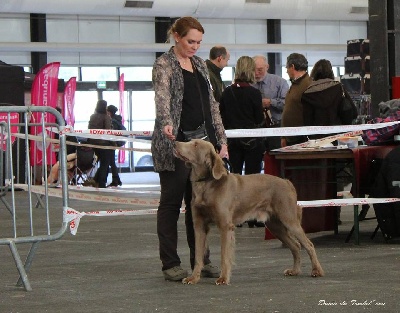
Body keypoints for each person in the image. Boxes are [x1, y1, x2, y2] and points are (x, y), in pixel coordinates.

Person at [151, 16, 228, 282]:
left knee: (197, 207)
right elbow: (162, 98)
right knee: (171, 206)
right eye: (190, 41)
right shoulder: (164, 64)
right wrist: (167, 123)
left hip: (200, 148)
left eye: (199, 42)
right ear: (177, 36)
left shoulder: (200, 65)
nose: (195, 47)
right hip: (174, 146)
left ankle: (201, 260)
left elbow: (212, 106)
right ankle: (170, 263)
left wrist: (222, 141)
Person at [219, 56, 265, 228]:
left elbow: (222, 117)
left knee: (234, 179)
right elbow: (259, 118)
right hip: (253, 142)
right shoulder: (254, 93)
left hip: (233, 142)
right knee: (252, 180)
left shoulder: (227, 92)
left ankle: (235, 216)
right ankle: (253, 217)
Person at [301, 59, 358, 136]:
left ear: (314, 73)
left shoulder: (306, 94)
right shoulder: (339, 88)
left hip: (317, 138)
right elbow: (354, 112)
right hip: (339, 135)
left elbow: (307, 121)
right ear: (331, 72)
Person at [253, 55, 289, 150]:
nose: (256, 73)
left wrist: (271, 102)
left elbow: (287, 104)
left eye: (260, 70)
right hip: (256, 129)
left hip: (276, 127)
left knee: (275, 158)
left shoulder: (280, 82)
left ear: (267, 67)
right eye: (253, 70)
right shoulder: (249, 84)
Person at [281, 53, 312, 147]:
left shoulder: (308, 85)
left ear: (292, 67)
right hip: (291, 137)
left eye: (287, 68)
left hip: (301, 138)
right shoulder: (296, 84)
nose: (286, 71)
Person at [87, 100, 114, 188]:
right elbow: (108, 131)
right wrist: (113, 143)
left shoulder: (92, 116)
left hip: (93, 143)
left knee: (99, 162)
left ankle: (96, 180)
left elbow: (89, 129)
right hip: (104, 144)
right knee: (104, 164)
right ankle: (101, 183)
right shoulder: (106, 117)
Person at [106, 104, 123, 187]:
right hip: (114, 143)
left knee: (111, 162)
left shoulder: (113, 121)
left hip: (111, 144)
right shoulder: (117, 119)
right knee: (111, 162)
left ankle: (116, 180)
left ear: (109, 112)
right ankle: (117, 180)